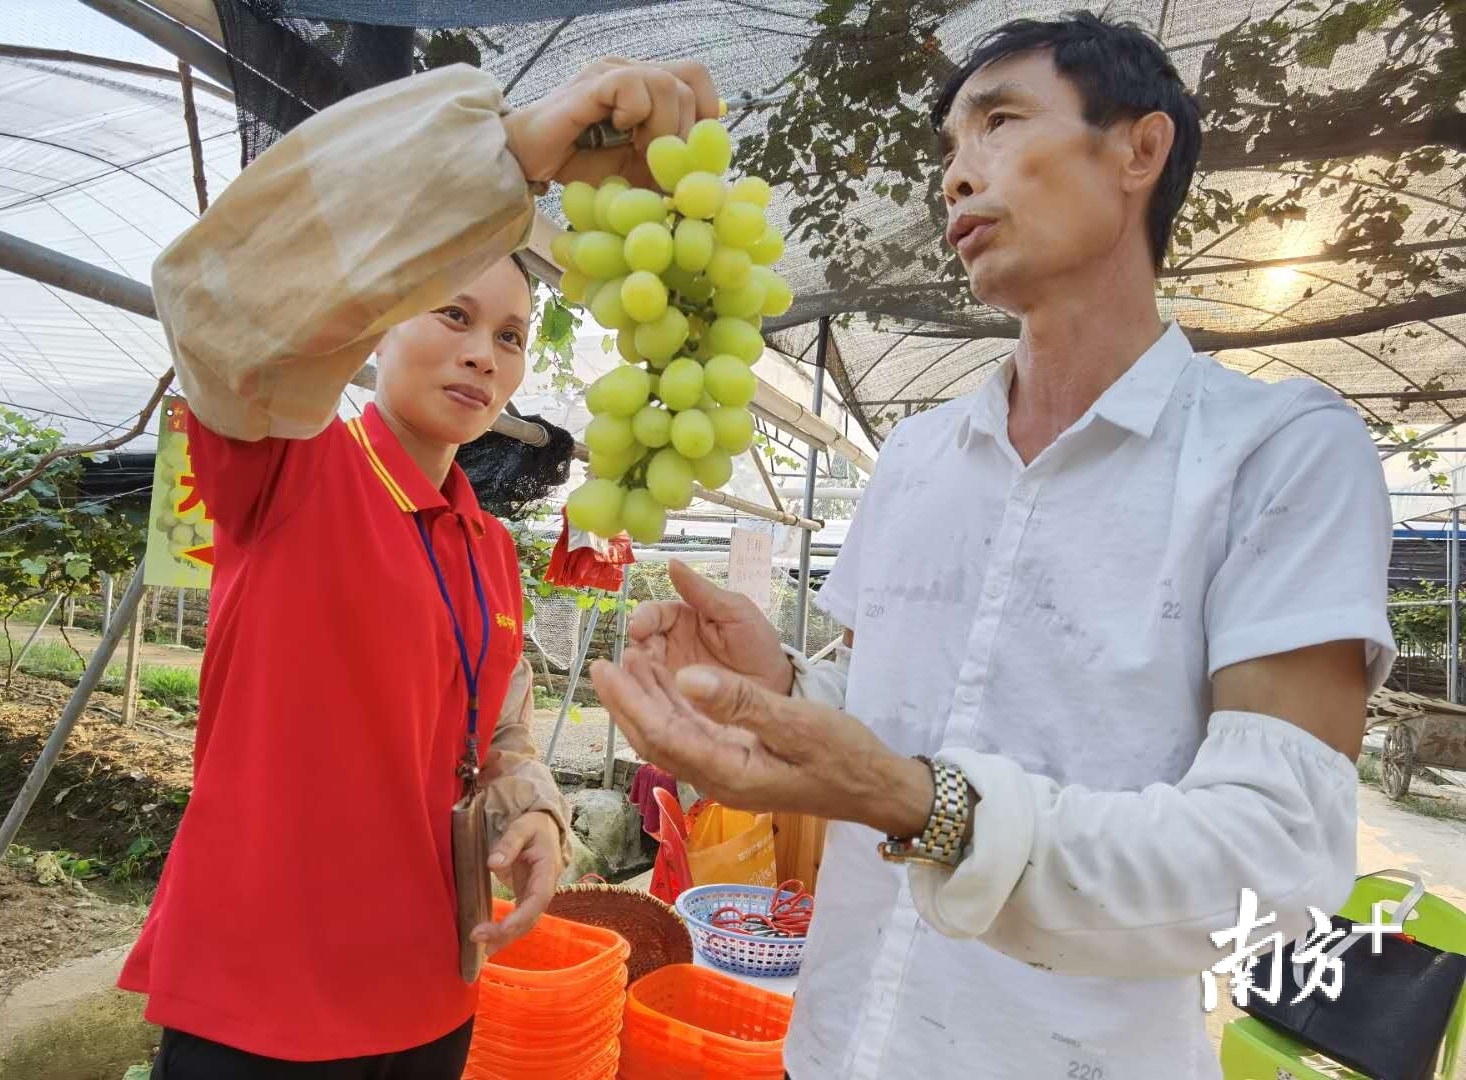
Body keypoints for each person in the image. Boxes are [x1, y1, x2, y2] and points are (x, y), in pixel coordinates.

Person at [593, 12, 1395, 1080]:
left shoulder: (1278, 456)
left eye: (1000, 123)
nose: (955, 179)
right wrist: (785, 685)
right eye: (948, 152)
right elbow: (896, 724)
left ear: (1137, 152)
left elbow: (1276, 861)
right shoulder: (921, 457)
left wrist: (926, 809)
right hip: (830, 1051)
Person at [118, 57, 721, 1079]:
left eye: (511, 337)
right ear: (377, 321)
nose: (485, 354)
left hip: (434, 990)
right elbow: (220, 309)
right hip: (265, 1003)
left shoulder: (488, 546)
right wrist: (511, 158)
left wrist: (529, 802)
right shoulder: (288, 470)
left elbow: (499, 724)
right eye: (451, 315)